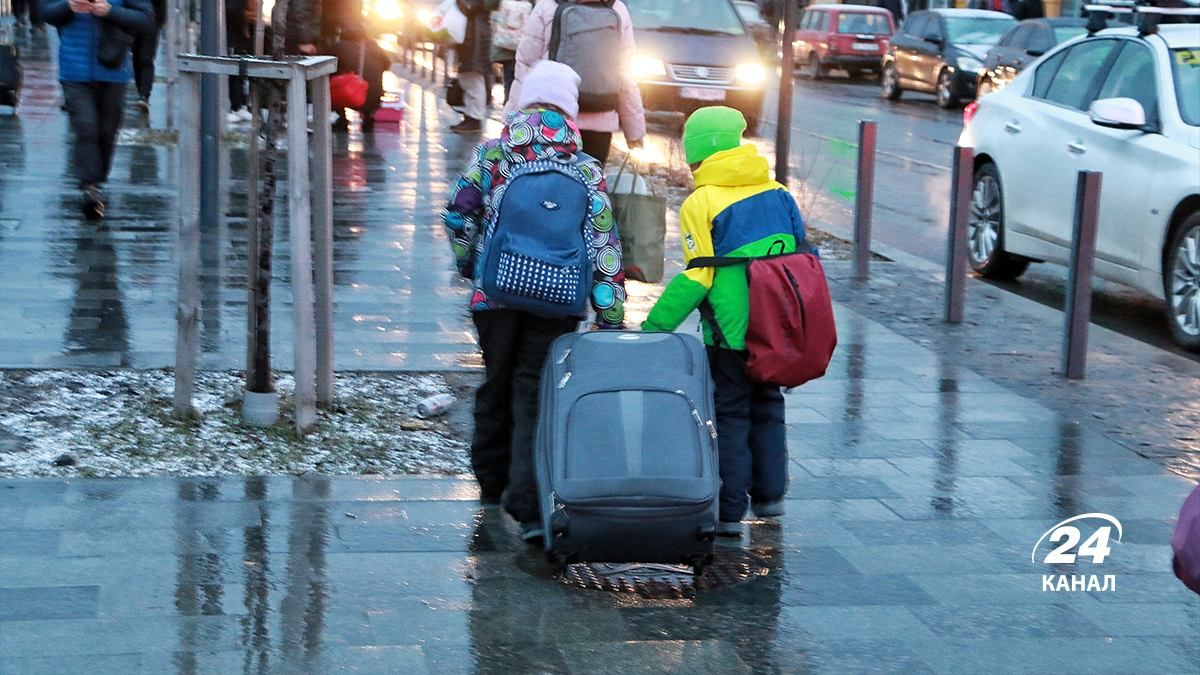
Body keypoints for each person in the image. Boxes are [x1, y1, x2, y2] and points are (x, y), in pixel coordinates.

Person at [442, 61, 626, 541]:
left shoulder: (493, 156)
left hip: (496, 294)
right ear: (571, 110)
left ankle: (488, 483)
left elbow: (457, 217)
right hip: (559, 301)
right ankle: (527, 505)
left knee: (495, 382)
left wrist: (473, 267)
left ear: (522, 103)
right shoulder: (585, 168)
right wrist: (609, 316)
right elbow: (603, 245)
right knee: (534, 390)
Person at [641, 106, 809, 537]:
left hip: (729, 329)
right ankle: (771, 498)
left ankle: (730, 512)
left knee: (731, 413)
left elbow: (699, 274)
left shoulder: (703, 201)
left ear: (697, 152)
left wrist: (655, 327)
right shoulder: (778, 192)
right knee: (769, 405)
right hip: (778, 325)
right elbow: (803, 258)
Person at [42, 0, 155, 220]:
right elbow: (45, 11)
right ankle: (90, 187)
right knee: (86, 127)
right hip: (74, 72)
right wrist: (68, 6)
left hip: (113, 70)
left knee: (107, 131)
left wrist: (110, 11)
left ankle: (98, 180)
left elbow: (146, 18)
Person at [506, 0, 646, 164]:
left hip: (551, 120)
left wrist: (512, 118)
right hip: (599, 120)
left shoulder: (547, 5)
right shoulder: (616, 8)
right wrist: (634, 131)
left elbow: (527, 64)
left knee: (548, 180)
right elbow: (625, 73)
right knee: (590, 183)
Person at [329, 25, 389, 132]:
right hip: (373, 95)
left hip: (350, 94)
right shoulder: (374, 46)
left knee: (333, 86)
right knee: (371, 91)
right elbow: (387, 64)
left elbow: (326, 64)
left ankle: (342, 119)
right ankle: (368, 117)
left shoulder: (339, 46)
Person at [451, 0, 499, 133]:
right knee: (468, 77)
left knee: (474, 77)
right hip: (471, 35)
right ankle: (469, 116)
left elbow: (470, 7)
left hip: (476, 37)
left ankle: (474, 119)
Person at [131, 0, 165, 113]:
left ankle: (144, 94)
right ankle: (143, 93)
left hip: (149, 20)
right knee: (140, 58)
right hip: (139, 19)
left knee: (144, 58)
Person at [226, 0, 257, 123]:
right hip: (234, 30)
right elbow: (230, 9)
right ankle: (237, 105)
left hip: (243, 29)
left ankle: (241, 104)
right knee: (234, 68)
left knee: (241, 68)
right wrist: (243, 15)